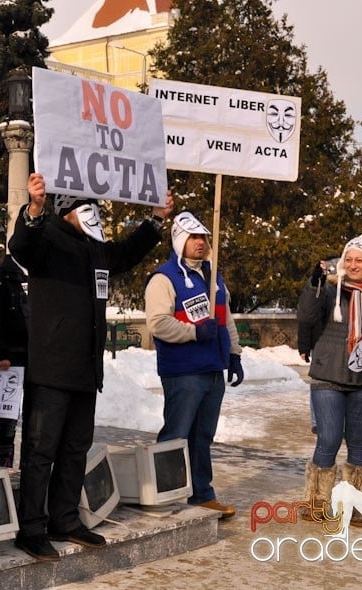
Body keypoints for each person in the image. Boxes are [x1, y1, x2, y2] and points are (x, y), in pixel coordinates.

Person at [9, 172, 173, 561]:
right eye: (89, 209)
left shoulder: (96, 248)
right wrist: (33, 209)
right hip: (51, 369)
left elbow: (127, 253)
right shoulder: (48, 237)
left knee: (74, 448)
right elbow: (22, 246)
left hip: (85, 370)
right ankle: (31, 527)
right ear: (68, 212)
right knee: (40, 450)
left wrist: (154, 221)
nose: (96, 215)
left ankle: (64, 518)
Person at [297, 234, 362, 526]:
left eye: (360, 259)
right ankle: (317, 501)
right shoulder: (329, 292)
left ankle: (355, 507)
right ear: (342, 262)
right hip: (328, 377)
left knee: (359, 443)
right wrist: (314, 282)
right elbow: (306, 316)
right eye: (349, 259)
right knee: (329, 439)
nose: (354, 264)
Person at [144, 211, 243, 520]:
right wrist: (194, 332)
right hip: (183, 371)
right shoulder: (164, 278)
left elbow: (225, 317)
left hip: (213, 369)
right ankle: (163, 495)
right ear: (179, 241)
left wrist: (235, 353)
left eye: (203, 238)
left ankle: (202, 493)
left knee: (202, 436)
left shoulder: (213, 277)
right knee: (176, 435)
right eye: (193, 238)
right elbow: (158, 324)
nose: (200, 243)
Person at [0, 253, 29, 468]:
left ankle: (30, 465)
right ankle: (4, 465)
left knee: (34, 416)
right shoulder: (1, 277)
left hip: (35, 355)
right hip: (11, 357)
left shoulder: (39, 274)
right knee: (9, 418)